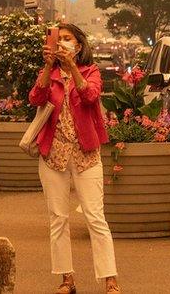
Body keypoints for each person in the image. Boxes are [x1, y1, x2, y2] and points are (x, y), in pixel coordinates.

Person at [29, 23, 120, 294]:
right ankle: (66, 279)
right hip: (53, 154)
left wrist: (71, 70)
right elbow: (36, 97)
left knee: (95, 217)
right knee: (58, 218)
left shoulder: (90, 71)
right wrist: (48, 67)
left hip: (85, 154)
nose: (63, 43)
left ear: (78, 46)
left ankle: (110, 280)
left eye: (68, 39)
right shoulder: (50, 73)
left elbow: (90, 96)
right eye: (60, 39)